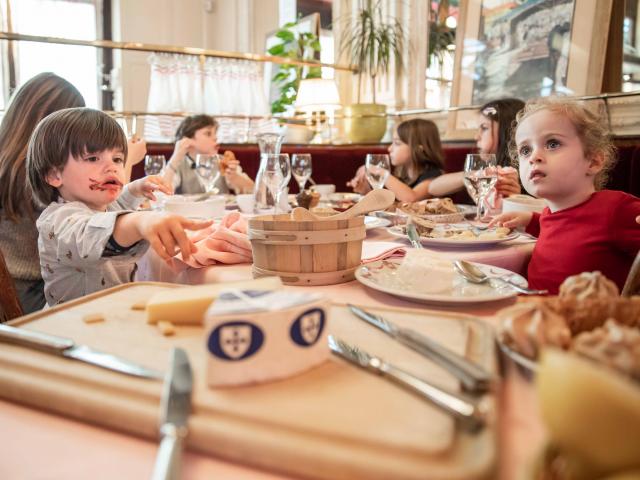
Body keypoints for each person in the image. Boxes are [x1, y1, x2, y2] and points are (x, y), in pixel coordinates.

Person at [27, 108, 213, 306]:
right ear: (55, 175)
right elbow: (94, 231)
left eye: (117, 159)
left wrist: (134, 189)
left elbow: (118, 205)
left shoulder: (100, 204)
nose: (112, 167)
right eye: (92, 158)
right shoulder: (58, 220)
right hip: (71, 325)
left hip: (109, 312)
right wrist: (141, 221)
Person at [489, 98, 640, 294]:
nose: (534, 157)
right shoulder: (550, 212)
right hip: (537, 313)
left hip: (581, 320)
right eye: (525, 150)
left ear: (593, 161)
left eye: (552, 144)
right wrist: (531, 220)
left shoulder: (615, 208)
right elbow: (563, 227)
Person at [0, 73, 85, 314]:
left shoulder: (7, 162)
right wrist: (125, 161)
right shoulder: (43, 171)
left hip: (10, 292)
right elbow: (91, 222)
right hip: (31, 296)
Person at [428, 98, 524, 201]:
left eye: (484, 128)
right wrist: (474, 175)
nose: (476, 137)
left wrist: (517, 198)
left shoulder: (525, 172)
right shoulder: (483, 165)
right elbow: (432, 188)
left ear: (507, 131)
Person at [347, 119, 445, 202]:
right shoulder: (401, 175)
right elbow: (390, 203)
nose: (390, 149)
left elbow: (411, 198)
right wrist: (366, 190)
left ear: (418, 148)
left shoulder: (434, 176)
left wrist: (379, 172)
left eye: (397, 143)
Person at [162, 114, 254, 194]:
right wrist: (176, 157)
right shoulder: (178, 164)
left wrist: (234, 177)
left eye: (215, 133)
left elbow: (253, 190)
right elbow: (161, 192)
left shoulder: (223, 162)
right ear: (187, 139)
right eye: (208, 133)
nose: (215, 138)